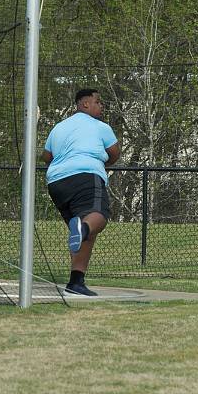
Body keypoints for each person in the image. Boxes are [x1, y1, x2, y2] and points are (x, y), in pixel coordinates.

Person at [42, 89, 121, 296]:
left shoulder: (58, 127)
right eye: (97, 101)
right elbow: (115, 153)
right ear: (85, 104)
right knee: (98, 217)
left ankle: (76, 282)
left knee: (81, 231)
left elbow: (46, 155)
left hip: (56, 182)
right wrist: (103, 164)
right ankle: (83, 229)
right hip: (85, 175)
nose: (100, 106)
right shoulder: (100, 126)